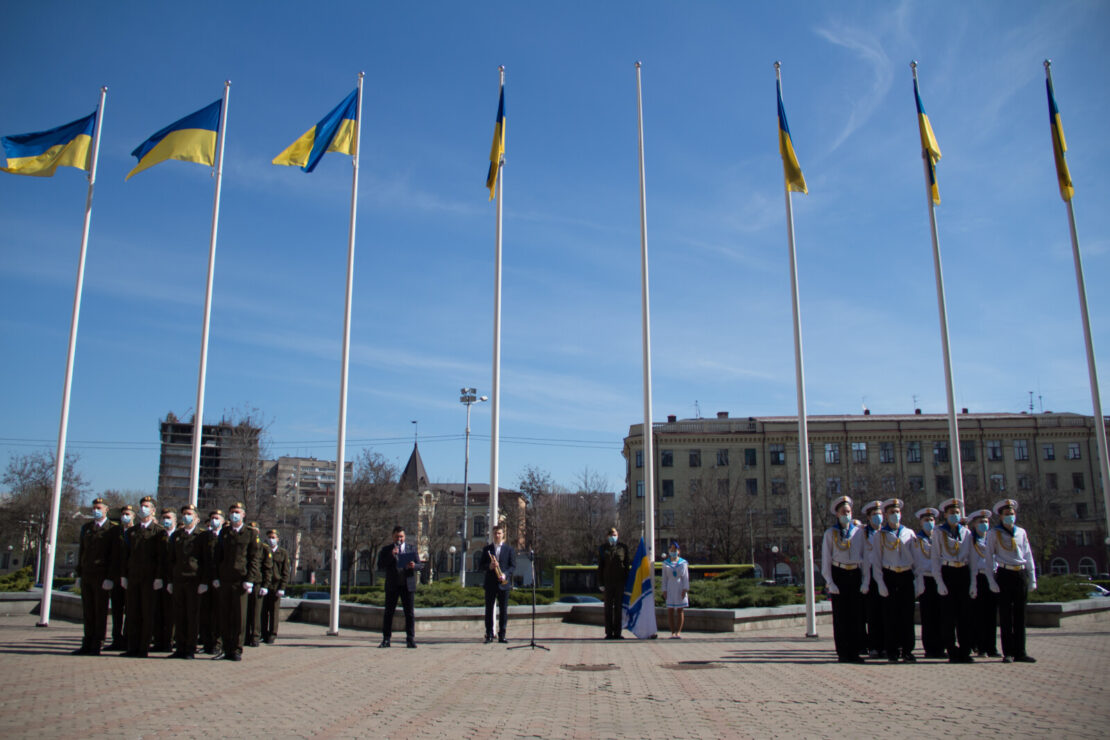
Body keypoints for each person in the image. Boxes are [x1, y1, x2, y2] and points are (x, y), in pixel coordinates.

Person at [986, 498, 1036, 663]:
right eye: (1006, 514)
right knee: (1006, 615)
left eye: (1012, 514)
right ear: (1000, 516)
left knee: (1020, 615)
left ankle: (1020, 651)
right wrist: (991, 580)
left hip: (1019, 574)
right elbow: (988, 558)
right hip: (1004, 573)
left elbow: (1027, 555)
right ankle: (1008, 651)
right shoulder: (994, 533)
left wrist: (1032, 577)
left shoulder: (1021, 532)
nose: (1010, 516)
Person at [820, 495, 868, 662]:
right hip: (839, 574)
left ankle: (854, 651)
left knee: (856, 616)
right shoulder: (830, 533)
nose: (846, 514)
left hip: (854, 573)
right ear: (837, 514)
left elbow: (865, 557)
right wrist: (830, 581)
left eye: (848, 511)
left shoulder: (859, 533)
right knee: (841, 617)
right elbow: (826, 560)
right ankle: (843, 652)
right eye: (843, 512)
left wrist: (866, 580)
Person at [871, 498, 917, 663]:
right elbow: (876, 562)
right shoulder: (880, 536)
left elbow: (916, 560)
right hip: (889, 576)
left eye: (897, 512)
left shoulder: (909, 533)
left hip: (905, 575)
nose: (895, 515)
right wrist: (880, 583)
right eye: (891, 512)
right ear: (886, 515)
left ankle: (907, 650)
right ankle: (892, 650)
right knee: (890, 617)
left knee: (907, 616)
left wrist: (918, 581)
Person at [215, 502, 262, 661]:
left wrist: (250, 579)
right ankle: (225, 648)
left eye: (237, 512)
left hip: (241, 580)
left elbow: (254, 559)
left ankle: (236, 649)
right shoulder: (225, 532)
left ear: (243, 515)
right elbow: (218, 556)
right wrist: (217, 576)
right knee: (224, 616)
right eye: (232, 511)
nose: (234, 514)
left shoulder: (250, 534)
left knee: (239, 617)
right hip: (225, 579)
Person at [931, 498, 976, 663]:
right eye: (952, 513)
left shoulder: (966, 533)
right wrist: (939, 581)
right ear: (945, 514)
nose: (955, 515)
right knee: (948, 616)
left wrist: (973, 582)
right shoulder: (939, 532)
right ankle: (951, 650)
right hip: (947, 571)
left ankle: (965, 650)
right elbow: (935, 558)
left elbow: (972, 559)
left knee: (965, 616)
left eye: (957, 513)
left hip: (963, 571)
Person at [122, 495, 167, 658]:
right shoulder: (132, 531)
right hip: (134, 576)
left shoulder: (159, 532)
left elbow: (162, 557)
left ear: (153, 511)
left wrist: (159, 577)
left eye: (147, 506)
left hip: (149, 578)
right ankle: (131, 647)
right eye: (142, 506)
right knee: (133, 612)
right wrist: (124, 575)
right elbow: (126, 554)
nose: (143, 509)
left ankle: (143, 648)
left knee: (147, 614)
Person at [74, 497, 120, 656]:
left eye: (99, 508)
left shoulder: (112, 529)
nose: (96, 510)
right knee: (88, 610)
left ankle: (97, 642)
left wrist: (110, 577)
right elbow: (82, 552)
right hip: (87, 573)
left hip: (102, 576)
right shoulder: (87, 528)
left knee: (100, 611)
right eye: (94, 507)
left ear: (107, 509)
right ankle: (87, 641)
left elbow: (114, 556)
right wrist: (79, 573)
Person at [167, 504, 203, 659]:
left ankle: (190, 648)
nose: (186, 516)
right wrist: (170, 580)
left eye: (189, 514)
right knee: (179, 615)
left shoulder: (201, 536)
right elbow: (171, 559)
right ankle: (180, 647)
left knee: (192, 615)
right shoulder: (176, 536)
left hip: (193, 580)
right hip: (178, 579)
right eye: (184, 514)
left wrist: (204, 581)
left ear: (196, 518)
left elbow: (205, 561)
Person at [378, 526, 419, 648]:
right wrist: (391, 554)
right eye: (397, 536)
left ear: (404, 537)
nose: (399, 539)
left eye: (401, 536)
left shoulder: (411, 549)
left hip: (407, 585)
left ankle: (410, 639)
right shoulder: (386, 550)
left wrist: (414, 565)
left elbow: (420, 565)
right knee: (389, 613)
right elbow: (380, 565)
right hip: (392, 585)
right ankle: (386, 639)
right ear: (393, 537)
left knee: (409, 613)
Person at [968, 509, 1001, 658]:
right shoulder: (970, 540)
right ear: (974, 524)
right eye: (980, 522)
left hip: (992, 578)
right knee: (978, 615)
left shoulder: (993, 539)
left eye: (986, 522)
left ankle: (992, 646)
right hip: (978, 578)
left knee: (991, 615)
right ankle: (981, 646)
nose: (984, 524)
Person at [913, 506, 944, 659]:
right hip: (925, 578)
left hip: (939, 578)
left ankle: (941, 646)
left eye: (931, 520)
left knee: (941, 615)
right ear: (920, 523)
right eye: (926, 520)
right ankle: (930, 648)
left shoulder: (939, 538)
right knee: (928, 615)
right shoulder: (916, 540)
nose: (929, 523)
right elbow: (916, 562)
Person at [480, 524, 516, 643]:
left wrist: (505, 574)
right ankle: (489, 634)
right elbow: (481, 566)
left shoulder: (509, 549)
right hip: (490, 584)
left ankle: (502, 635)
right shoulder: (487, 549)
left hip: (503, 583)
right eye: (495, 533)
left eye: (499, 533)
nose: (497, 535)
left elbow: (512, 566)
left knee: (504, 610)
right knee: (489, 610)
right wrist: (489, 566)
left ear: (503, 534)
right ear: (492, 534)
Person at [860, 499, 885, 658]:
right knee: (873, 614)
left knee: (887, 613)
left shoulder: (886, 532)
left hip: (886, 574)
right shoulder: (862, 534)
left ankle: (888, 645)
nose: (878, 517)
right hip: (869, 577)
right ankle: (874, 646)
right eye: (874, 514)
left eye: (880, 514)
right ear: (868, 517)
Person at [106, 505, 133, 651]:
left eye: (128, 514)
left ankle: (128, 638)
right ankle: (116, 638)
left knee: (130, 610)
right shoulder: (115, 532)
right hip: (116, 577)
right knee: (116, 610)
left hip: (131, 577)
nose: (125, 516)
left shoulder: (136, 532)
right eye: (123, 514)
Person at [197, 509, 223, 655]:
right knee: (205, 614)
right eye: (212, 518)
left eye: (217, 518)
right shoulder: (203, 537)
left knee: (218, 615)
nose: (214, 520)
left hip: (220, 581)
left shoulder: (225, 537)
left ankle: (217, 644)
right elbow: (199, 558)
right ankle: (207, 643)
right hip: (205, 580)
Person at [151, 508, 177, 652]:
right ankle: (159, 641)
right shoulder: (159, 536)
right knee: (158, 611)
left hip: (173, 578)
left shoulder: (178, 536)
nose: (166, 520)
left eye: (168, 517)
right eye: (164, 517)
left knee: (171, 613)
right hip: (159, 578)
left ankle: (169, 641)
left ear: (174, 519)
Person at [597, 527, 630, 639]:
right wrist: (601, 583)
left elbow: (626, 566)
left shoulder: (623, 548)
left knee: (618, 608)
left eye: (614, 534)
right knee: (608, 608)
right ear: (607, 536)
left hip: (619, 582)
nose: (613, 536)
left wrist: (626, 582)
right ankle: (609, 632)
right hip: (608, 582)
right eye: (611, 534)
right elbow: (600, 566)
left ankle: (618, 632)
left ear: (618, 535)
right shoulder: (603, 548)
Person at [245, 521, 273, 648]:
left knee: (256, 612)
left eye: (255, 530)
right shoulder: (243, 545)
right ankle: (244, 636)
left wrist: (265, 585)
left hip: (257, 583)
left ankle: (255, 636)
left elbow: (267, 568)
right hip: (244, 582)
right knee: (244, 612)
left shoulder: (264, 548)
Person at [260, 529, 290, 644]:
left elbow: (285, 572)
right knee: (263, 612)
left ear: (278, 539)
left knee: (273, 612)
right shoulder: (263, 551)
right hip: (264, 585)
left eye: (273, 537)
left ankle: (272, 634)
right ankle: (263, 633)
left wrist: (282, 587)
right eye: (269, 537)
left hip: (276, 585)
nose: (271, 540)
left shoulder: (283, 553)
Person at [661, 541, 689, 639]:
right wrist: (664, 590)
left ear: (678, 551)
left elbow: (685, 577)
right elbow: (664, 578)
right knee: (670, 610)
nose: (673, 551)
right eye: (671, 550)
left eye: (675, 550)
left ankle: (678, 632)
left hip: (680, 586)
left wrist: (685, 589)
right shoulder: (665, 563)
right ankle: (672, 632)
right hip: (670, 587)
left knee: (680, 610)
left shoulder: (683, 563)